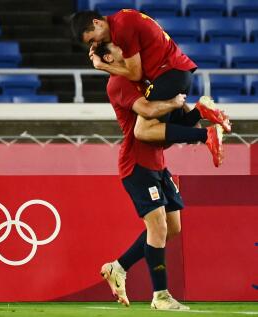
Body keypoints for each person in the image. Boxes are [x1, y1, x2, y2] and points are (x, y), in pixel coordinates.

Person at [90, 42, 227, 311]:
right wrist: (175, 103)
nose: (127, 50)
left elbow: (173, 122)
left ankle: (117, 268)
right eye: (118, 47)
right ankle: (160, 295)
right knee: (158, 228)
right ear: (109, 56)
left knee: (172, 228)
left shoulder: (142, 77)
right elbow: (148, 112)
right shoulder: (118, 83)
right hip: (137, 164)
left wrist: (196, 111)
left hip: (158, 163)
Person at [70, 10, 231, 158]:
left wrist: (102, 66)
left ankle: (207, 135)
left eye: (92, 39)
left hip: (169, 73)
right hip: (179, 72)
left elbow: (135, 74)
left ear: (97, 22)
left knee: (142, 131)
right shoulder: (123, 18)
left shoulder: (121, 30)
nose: (95, 44)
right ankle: (201, 111)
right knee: (163, 135)